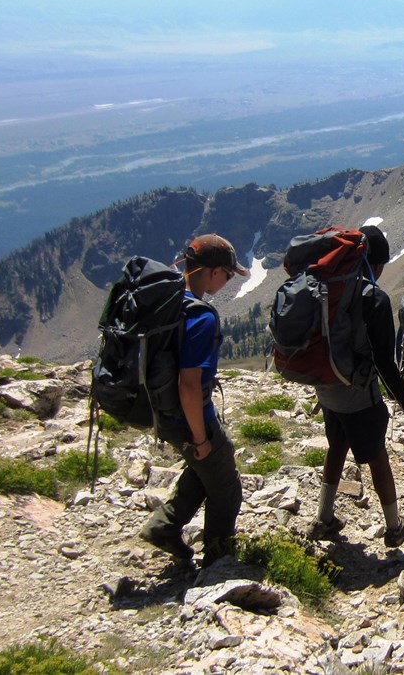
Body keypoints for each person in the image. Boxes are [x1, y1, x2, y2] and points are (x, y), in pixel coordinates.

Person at [304, 226, 404, 547]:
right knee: (377, 456)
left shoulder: (326, 290)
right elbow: (384, 363)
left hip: (327, 388)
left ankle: (324, 518)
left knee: (337, 446)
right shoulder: (374, 299)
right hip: (358, 394)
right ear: (374, 263)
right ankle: (395, 526)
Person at [140, 234, 247, 569]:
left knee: (205, 469)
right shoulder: (201, 317)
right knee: (225, 484)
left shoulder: (170, 301)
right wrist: (200, 438)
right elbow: (189, 384)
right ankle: (218, 557)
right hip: (187, 415)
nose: (228, 280)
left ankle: (164, 527)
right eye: (228, 274)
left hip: (161, 408)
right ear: (213, 272)